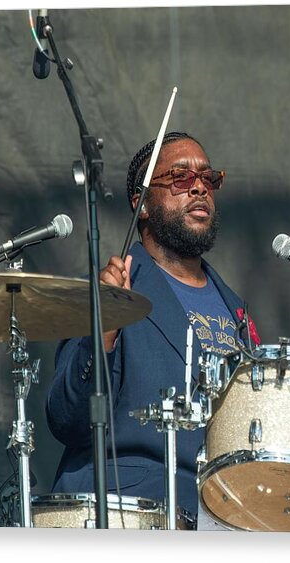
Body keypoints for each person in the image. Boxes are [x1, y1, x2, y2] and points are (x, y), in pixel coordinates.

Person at [46, 132, 256, 524]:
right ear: (141, 205)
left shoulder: (236, 310)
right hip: (125, 510)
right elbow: (66, 418)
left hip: (219, 517)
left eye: (208, 179)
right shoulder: (113, 290)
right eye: (179, 177)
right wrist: (104, 331)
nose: (198, 186)